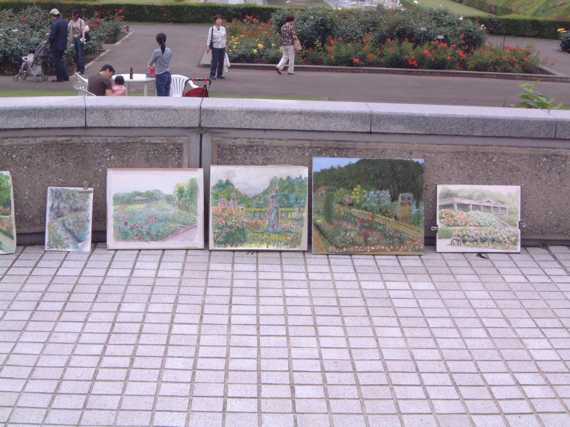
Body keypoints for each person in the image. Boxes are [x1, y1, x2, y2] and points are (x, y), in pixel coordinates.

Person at [48, 8, 69, 82]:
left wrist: (49, 41)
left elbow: (52, 36)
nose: (51, 18)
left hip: (56, 45)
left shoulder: (55, 23)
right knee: (61, 60)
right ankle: (66, 77)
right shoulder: (64, 22)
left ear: (53, 16)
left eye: (51, 16)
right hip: (63, 44)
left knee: (57, 62)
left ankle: (60, 78)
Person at [206, 15, 227, 80]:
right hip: (215, 47)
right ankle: (212, 74)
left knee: (221, 61)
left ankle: (219, 74)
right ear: (215, 21)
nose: (219, 21)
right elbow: (209, 37)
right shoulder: (212, 28)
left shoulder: (223, 28)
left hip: (222, 46)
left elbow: (225, 37)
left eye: (220, 19)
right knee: (215, 61)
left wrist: (225, 45)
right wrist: (208, 46)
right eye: (218, 20)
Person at [68, 10, 88, 75]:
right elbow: (68, 29)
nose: (72, 16)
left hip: (80, 39)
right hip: (74, 39)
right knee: (76, 54)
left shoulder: (81, 21)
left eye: (73, 15)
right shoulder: (71, 21)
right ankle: (78, 68)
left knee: (80, 54)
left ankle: (82, 69)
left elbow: (83, 31)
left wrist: (83, 39)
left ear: (77, 15)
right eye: (72, 15)